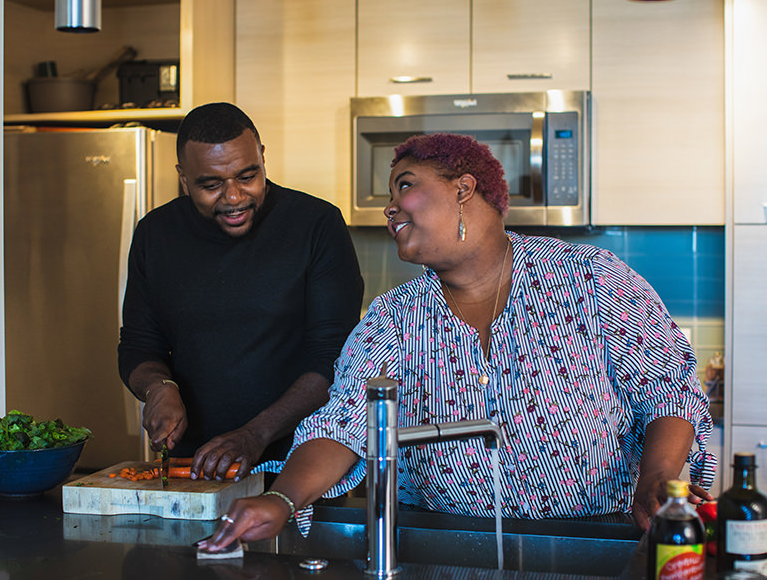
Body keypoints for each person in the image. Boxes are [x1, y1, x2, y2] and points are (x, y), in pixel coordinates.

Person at [198, 132, 716, 552]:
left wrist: (659, 479)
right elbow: (346, 423)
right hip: (438, 541)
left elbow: (667, 390)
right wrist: (284, 500)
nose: (389, 207)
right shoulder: (396, 316)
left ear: (464, 188)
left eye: (404, 186)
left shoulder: (590, 279)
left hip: (592, 537)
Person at [117, 102, 364, 480]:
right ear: (184, 178)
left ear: (263, 158)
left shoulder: (315, 225)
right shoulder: (156, 234)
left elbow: (334, 358)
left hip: (302, 465)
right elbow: (138, 344)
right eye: (211, 184)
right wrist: (157, 388)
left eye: (247, 176)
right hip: (194, 465)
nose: (233, 197)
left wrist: (255, 434)